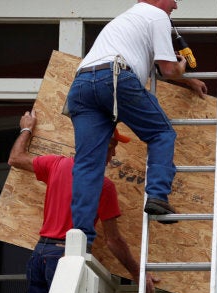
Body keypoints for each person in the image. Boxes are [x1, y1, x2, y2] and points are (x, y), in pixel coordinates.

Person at [66, 0, 208, 244]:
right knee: (161, 134)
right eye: (173, 0)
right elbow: (168, 69)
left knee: (88, 165)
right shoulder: (157, 16)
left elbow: (149, 64)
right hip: (114, 77)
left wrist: (187, 82)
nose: (175, 5)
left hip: (81, 85)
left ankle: (80, 240)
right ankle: (158, 196)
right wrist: (182, 69)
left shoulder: (127, 20)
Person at [8, 110, 160, 293]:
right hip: (64, 258)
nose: (114, 154)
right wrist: (136, 272)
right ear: (99, 146)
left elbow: (15, 158)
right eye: (112, 147)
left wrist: (26, 128)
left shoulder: (57, 164)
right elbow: (113, 241)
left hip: (40, 254)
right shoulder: (103, 186)